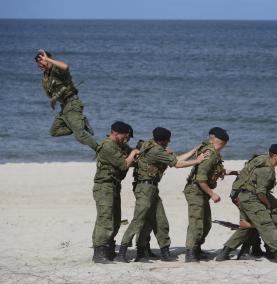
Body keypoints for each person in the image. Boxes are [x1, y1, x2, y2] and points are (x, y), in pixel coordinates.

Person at [116, 127, 208, 262]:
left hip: (151, 188)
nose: (168, 144)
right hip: (145, 189)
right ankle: (122, 253)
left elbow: (175, 159)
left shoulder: (153, 147)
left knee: (161, 221)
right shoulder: (155, 150)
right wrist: (197, 160)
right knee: (138, 221)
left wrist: (194, 151)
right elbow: (177, 163)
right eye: (167, 141)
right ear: (164, 141)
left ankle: (163, 253)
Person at [184, 127, 237, 262]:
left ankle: (196, 248)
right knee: (196, 222)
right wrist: (212, 194)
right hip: (196, 190)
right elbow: (200, 179)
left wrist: (235, 172)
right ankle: (190, 253)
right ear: (223, 143)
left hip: (201, 192)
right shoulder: (211, 153)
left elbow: (217, 170)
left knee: (206, 223)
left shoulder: (214, 153)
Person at [91, 121, 140, 264]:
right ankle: (99, 253)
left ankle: (109, 249)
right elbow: (124, 164)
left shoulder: (120, 146)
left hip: (114, 186)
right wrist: (133, 153)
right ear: (116, 133)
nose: (127, 140)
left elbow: (132, 160)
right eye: (126, 137)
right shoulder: (107, 146)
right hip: (104, 186)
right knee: (105, 220)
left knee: (115, 220)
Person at [35, 49, 98, 151]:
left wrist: (47, 59)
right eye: (38, 63)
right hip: (64, 107)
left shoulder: (57, 69)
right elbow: (51, 92)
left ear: (48, 59)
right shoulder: (46, 76)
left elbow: (66, 67)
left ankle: (99, 149)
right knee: (54, 131)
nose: (39, 65)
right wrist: (53, 99)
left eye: (41, 61)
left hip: (72, 104)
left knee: (80, 136)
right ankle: (79, 124)